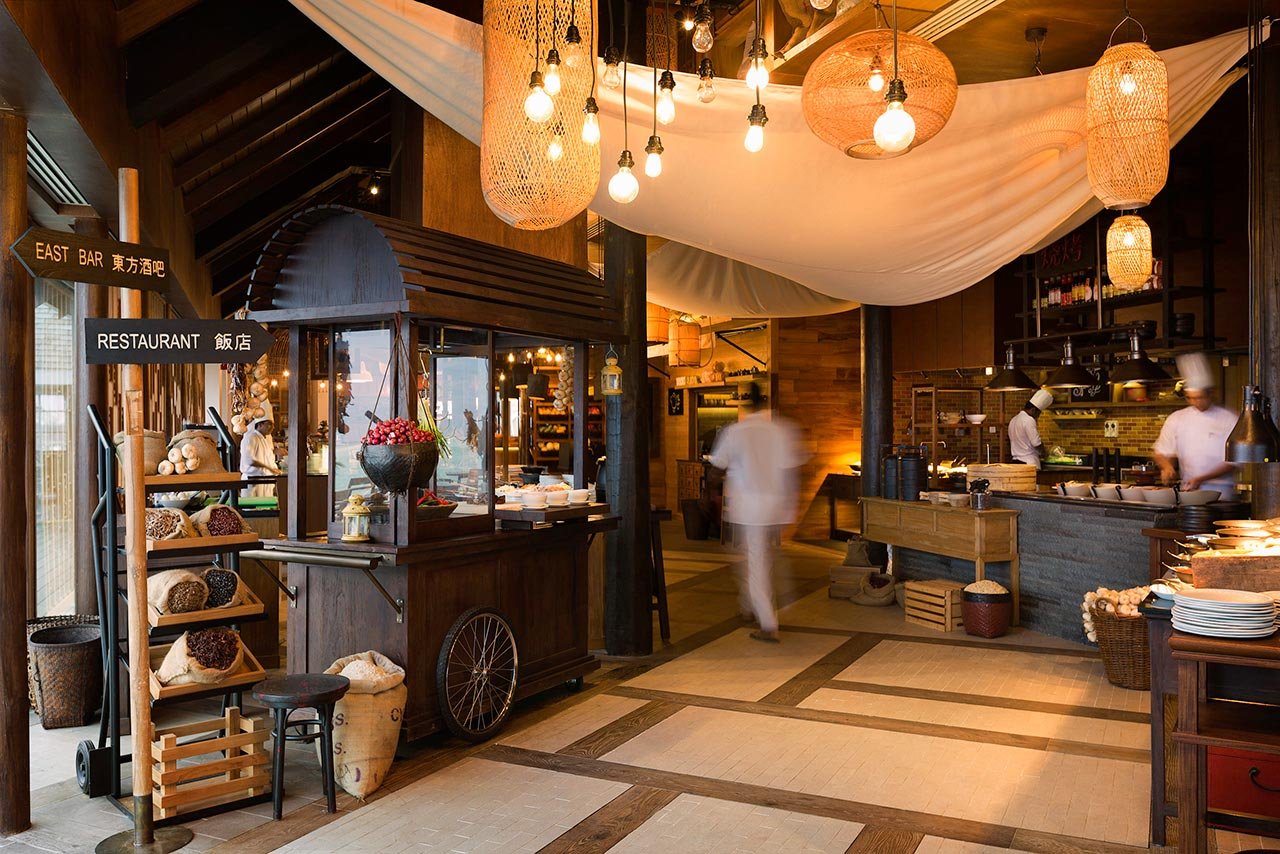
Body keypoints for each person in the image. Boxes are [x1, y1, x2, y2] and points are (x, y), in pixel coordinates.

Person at [709, 383, 803, 643]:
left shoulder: (736, 432)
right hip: (776, 504)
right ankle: (748, 605)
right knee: (756, 557)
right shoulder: (780, 430)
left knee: (756, 562)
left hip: (749, 506)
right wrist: (790, 506)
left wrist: (710, 494)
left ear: (746, 404)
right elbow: (790, 470)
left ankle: (768, 623)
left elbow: (716, 468)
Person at [1154, 354, 1238, 499]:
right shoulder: (1177, 418)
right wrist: (1167, 467)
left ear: (1211, 394)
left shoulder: (1229, 419)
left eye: (1200, 397)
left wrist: (1201, 479)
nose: (1195, 402)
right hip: (1188, 492)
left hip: (1221, 494)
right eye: (1190, 398)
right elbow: (1161, 451)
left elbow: (1234, 462)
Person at [1008, 389, 1054, 467]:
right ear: (1033, 410)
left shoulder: (1014, 419)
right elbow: (1036, 443)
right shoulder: (1029, 420)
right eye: (1038, 413)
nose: (1038, 416)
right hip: (1029, 462)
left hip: (1015, 461)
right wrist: (1045, 453)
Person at [240, 415, 281, 497]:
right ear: (260, 425)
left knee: (266, 504)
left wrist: (274, 468)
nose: (273, 427)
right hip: (252, 481)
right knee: (253, 505)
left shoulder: (264, 439)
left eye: (273, 425)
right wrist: (269, 468)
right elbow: (249, 460)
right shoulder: (250, 438)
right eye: (269, 424)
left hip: (265, 481)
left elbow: (267, 458)